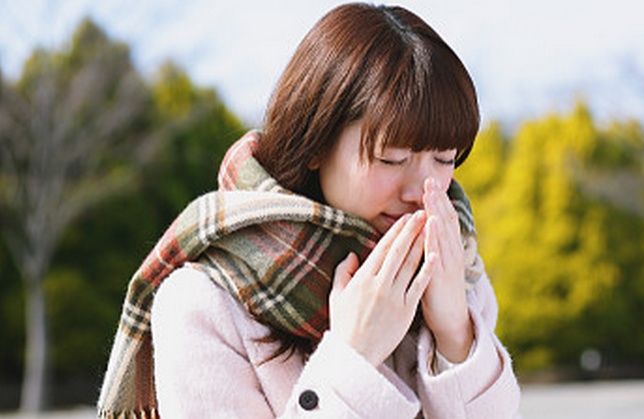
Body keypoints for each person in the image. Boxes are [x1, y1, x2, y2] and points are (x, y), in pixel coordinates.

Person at [98, 3, 521, 418]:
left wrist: (455, 332)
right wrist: (352, 358)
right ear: (316, 143)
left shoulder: (453, 268)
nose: (421, 189)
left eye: (445, 159)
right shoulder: (204, 301)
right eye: (391, 159)